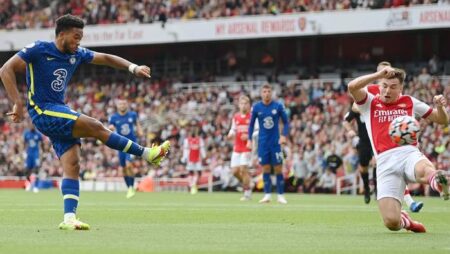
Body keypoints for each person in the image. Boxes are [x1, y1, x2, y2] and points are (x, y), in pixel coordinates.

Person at [0, 14, 170, 230]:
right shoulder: (39, 49)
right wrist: (18, 103)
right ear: (61, 34)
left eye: (80, 38)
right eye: (76, 37)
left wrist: (133, 67)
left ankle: (69, 219)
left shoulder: (77, 54)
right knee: (96, 126)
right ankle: (148, 154)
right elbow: (5, 69)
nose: (79, 42)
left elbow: (106, 58)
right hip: (43, 111)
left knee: (72, 164)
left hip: (58, 111)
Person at [348, 66, 449, 233]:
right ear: (379, 85)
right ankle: (406, 222)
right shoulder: (369, 102)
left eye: (393, 87)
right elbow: (352, 87)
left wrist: (440, 107)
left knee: (425, 170)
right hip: (384, 162)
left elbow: (442, 120)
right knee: (391, 223)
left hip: (408, 153)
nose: (387, 90)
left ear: (401, 88)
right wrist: (379, 75)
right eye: (384, 85)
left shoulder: (409, 101)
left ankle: (438, 180)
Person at [344, 61, 424, 212]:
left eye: (387, 71)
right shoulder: (370, 91)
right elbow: (353, 108)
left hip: (387, 138)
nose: (385, 74)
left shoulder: (392, 92)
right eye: (382, 72)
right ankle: (368, 189)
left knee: (388, 165)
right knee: (364, 166)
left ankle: (404, 200)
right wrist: (364, 109)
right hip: (366, 137)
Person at [247, 84, 289, 204]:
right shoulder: (256, 107)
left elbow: (286, 123)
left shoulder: (278, 106)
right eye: (264, 91)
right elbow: (251, 125)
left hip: (275, 143)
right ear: (261, 93)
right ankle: (267, 195)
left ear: (272, 93)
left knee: (278, 168)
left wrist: (283, 135)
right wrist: (249, 140)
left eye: (268, 91)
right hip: (263, 143)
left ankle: (281, 195)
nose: (266, 94)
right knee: (265, 168)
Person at [108, 98, 144, 199]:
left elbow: (137, 125)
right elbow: (111, 126)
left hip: (132, 144)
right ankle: (129, 188)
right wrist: (110, 128)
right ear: (117, 106)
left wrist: (140, 132)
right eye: (120, 104)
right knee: (123, 168)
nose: (122, 105)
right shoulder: (114, 117)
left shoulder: (132, 115)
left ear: (127, 105)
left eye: (124, 103)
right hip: (120, 145)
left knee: (129, 165)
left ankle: (132, 187)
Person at [227, 95, 257, 201]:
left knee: (243, 169)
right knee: (235, 171)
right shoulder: (236, 117)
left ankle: (247, 193)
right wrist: (230, 134)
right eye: (242, 103)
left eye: (246, 103)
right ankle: (249, 182)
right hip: (237, 147)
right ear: (239, 105)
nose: (243, 105)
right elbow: (233, 129)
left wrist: (249, 137)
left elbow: (257, 131)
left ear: (249, 105)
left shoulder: (253, 117)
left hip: (247, 147)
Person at [182, 123, 206, 195]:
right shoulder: (187, 140)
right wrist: (184, 157)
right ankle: (192, 185)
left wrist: (204, 156)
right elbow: (186, 150)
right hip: (191, 159)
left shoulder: (199, 140)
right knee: (192, 172)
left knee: (198, 172)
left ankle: (193, 184)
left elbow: (201, 149)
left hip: (197, 158)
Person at [23, 123, 43, 193]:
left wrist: (41, 153)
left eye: (33, 125)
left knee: (36, 170)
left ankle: (36, 186)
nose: (32, 126)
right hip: (29, 154)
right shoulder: (26, 134)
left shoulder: (38, 134)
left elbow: (42, 144)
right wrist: (23, 153)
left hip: (36, 154)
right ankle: (28, 184)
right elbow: (24, 143)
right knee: (27, 170)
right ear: (29, 126)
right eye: (31, 125)